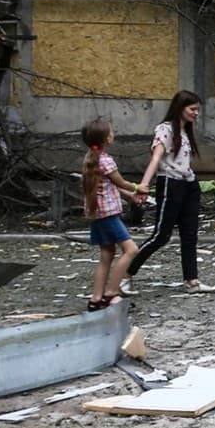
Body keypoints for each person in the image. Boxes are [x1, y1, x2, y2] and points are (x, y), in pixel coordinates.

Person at [127, 90, 215, 295]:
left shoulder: (185, 132)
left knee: (190, 235)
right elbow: (155, 158)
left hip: (189, 184)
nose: (196, 113)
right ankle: (125, 274)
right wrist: (143, 185)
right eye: (192, 109)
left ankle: (192, 282)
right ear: (180, 108)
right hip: (170, 184)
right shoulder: (165, 129)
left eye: (198, 110)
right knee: (161, 235)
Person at [81, 118, 147, 311]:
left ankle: (96, 299)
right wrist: (138, 187)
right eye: (111, 131)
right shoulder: (106, 161)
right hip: (108, 215)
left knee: (107, 254)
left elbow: (108, 186)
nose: (113, 134)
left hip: (97, 214)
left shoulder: (90, 158)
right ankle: (111, 294)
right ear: (106, 138)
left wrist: (130, 196)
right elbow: (120, 182)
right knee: (131, 250)